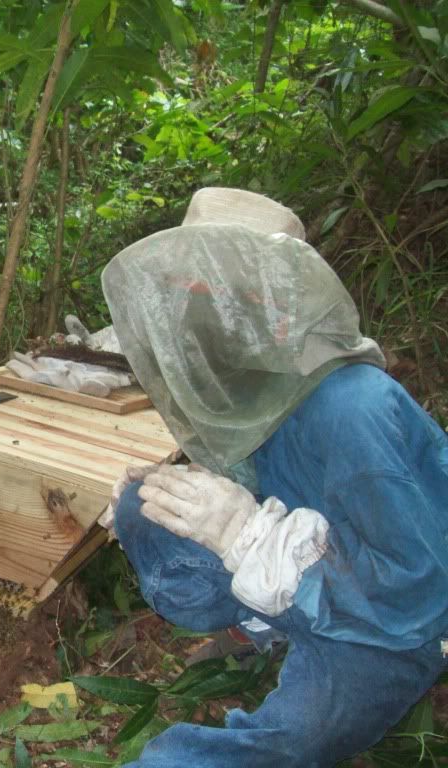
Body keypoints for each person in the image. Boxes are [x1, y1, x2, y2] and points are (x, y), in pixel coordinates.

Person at [99, 188, 448, 767]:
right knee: (143, 505)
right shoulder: (242, 386)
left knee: (290, 740)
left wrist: (249, 538)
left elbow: (417, 595)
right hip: (298, 579)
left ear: (269, 302)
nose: (191, 307)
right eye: (183, 291)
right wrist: (183, 491)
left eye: (209, 291)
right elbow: (253, 471)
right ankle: (268, 621)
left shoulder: (351, 409)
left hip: (392, 632)